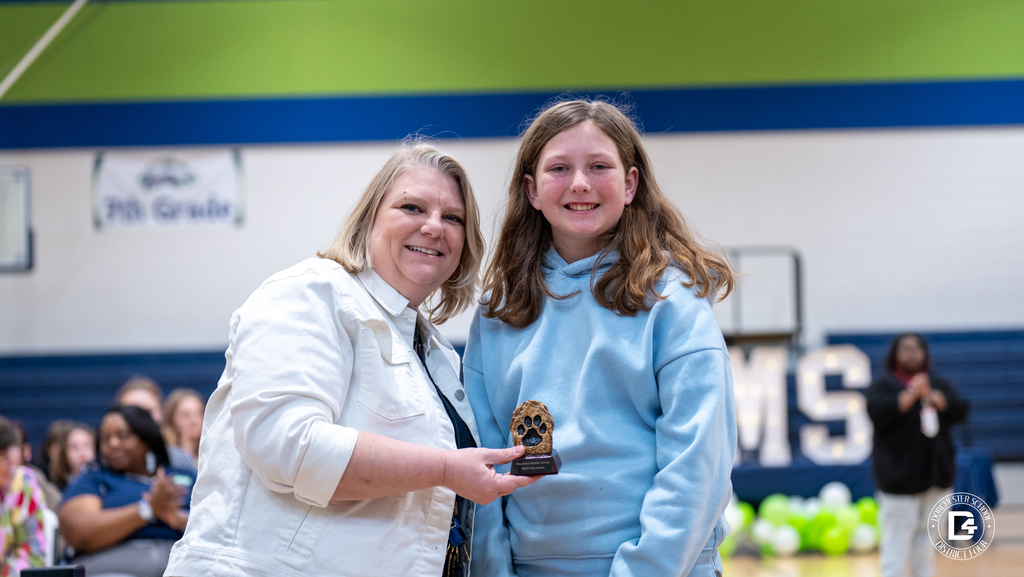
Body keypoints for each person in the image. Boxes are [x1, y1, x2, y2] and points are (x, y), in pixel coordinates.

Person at [164, 142, 538, 577]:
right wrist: (445, 468)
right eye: (413, 207)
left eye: (452, 217)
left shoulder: (435, 353)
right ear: (369, 219)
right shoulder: (311, 293)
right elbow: (289, 446)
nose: (434, 227)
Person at [465, 99, 738, 577]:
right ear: (531, 190)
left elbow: (698, 466)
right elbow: (481, 465)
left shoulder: (673, 303)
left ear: (630, 184)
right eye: (559, 168)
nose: (579, 184)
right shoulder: (499, 310)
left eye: (598, 166)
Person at [866, 333, 969, 577]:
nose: (912, 353)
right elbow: (879, 413)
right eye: (906, 348)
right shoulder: (884, 386)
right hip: (898, 478)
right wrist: (913, 393)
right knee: (897, 535)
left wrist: (934, 397)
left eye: (916, 348)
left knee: (927, 536)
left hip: (935, 476)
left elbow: (960, 410)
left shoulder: (938, 384)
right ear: (895, 354)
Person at [58, 406, 193, 577]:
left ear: (147, 438)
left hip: (183, 560)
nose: (112, 444)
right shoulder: (96, 478)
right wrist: (148, 509)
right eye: (105, 439)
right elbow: (77, 532)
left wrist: (182, 521)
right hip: (113, 566)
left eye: (123, 435)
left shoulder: (184, 475)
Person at [1, 415, 48, 576]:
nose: (10, 466)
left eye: (11, 457)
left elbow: (33, 552)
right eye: (4, 459)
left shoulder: (22, 483)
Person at [115, 377, 196, 470]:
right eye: (131, 413)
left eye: (148, 412)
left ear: (161, 413)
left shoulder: (181, 461)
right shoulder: (105, 465)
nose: (139, 420)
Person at [44, 421, 96, 491]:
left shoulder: (103, 484)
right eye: (74, 447)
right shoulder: (56, 488)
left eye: (86, 445)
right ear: (65, 454)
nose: (81, 452)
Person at [161, 390, 205, 463]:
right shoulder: (165, 455)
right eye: (185, 415)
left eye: (199, 414)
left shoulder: (211, 452)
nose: (194, 421)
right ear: (171, 420)